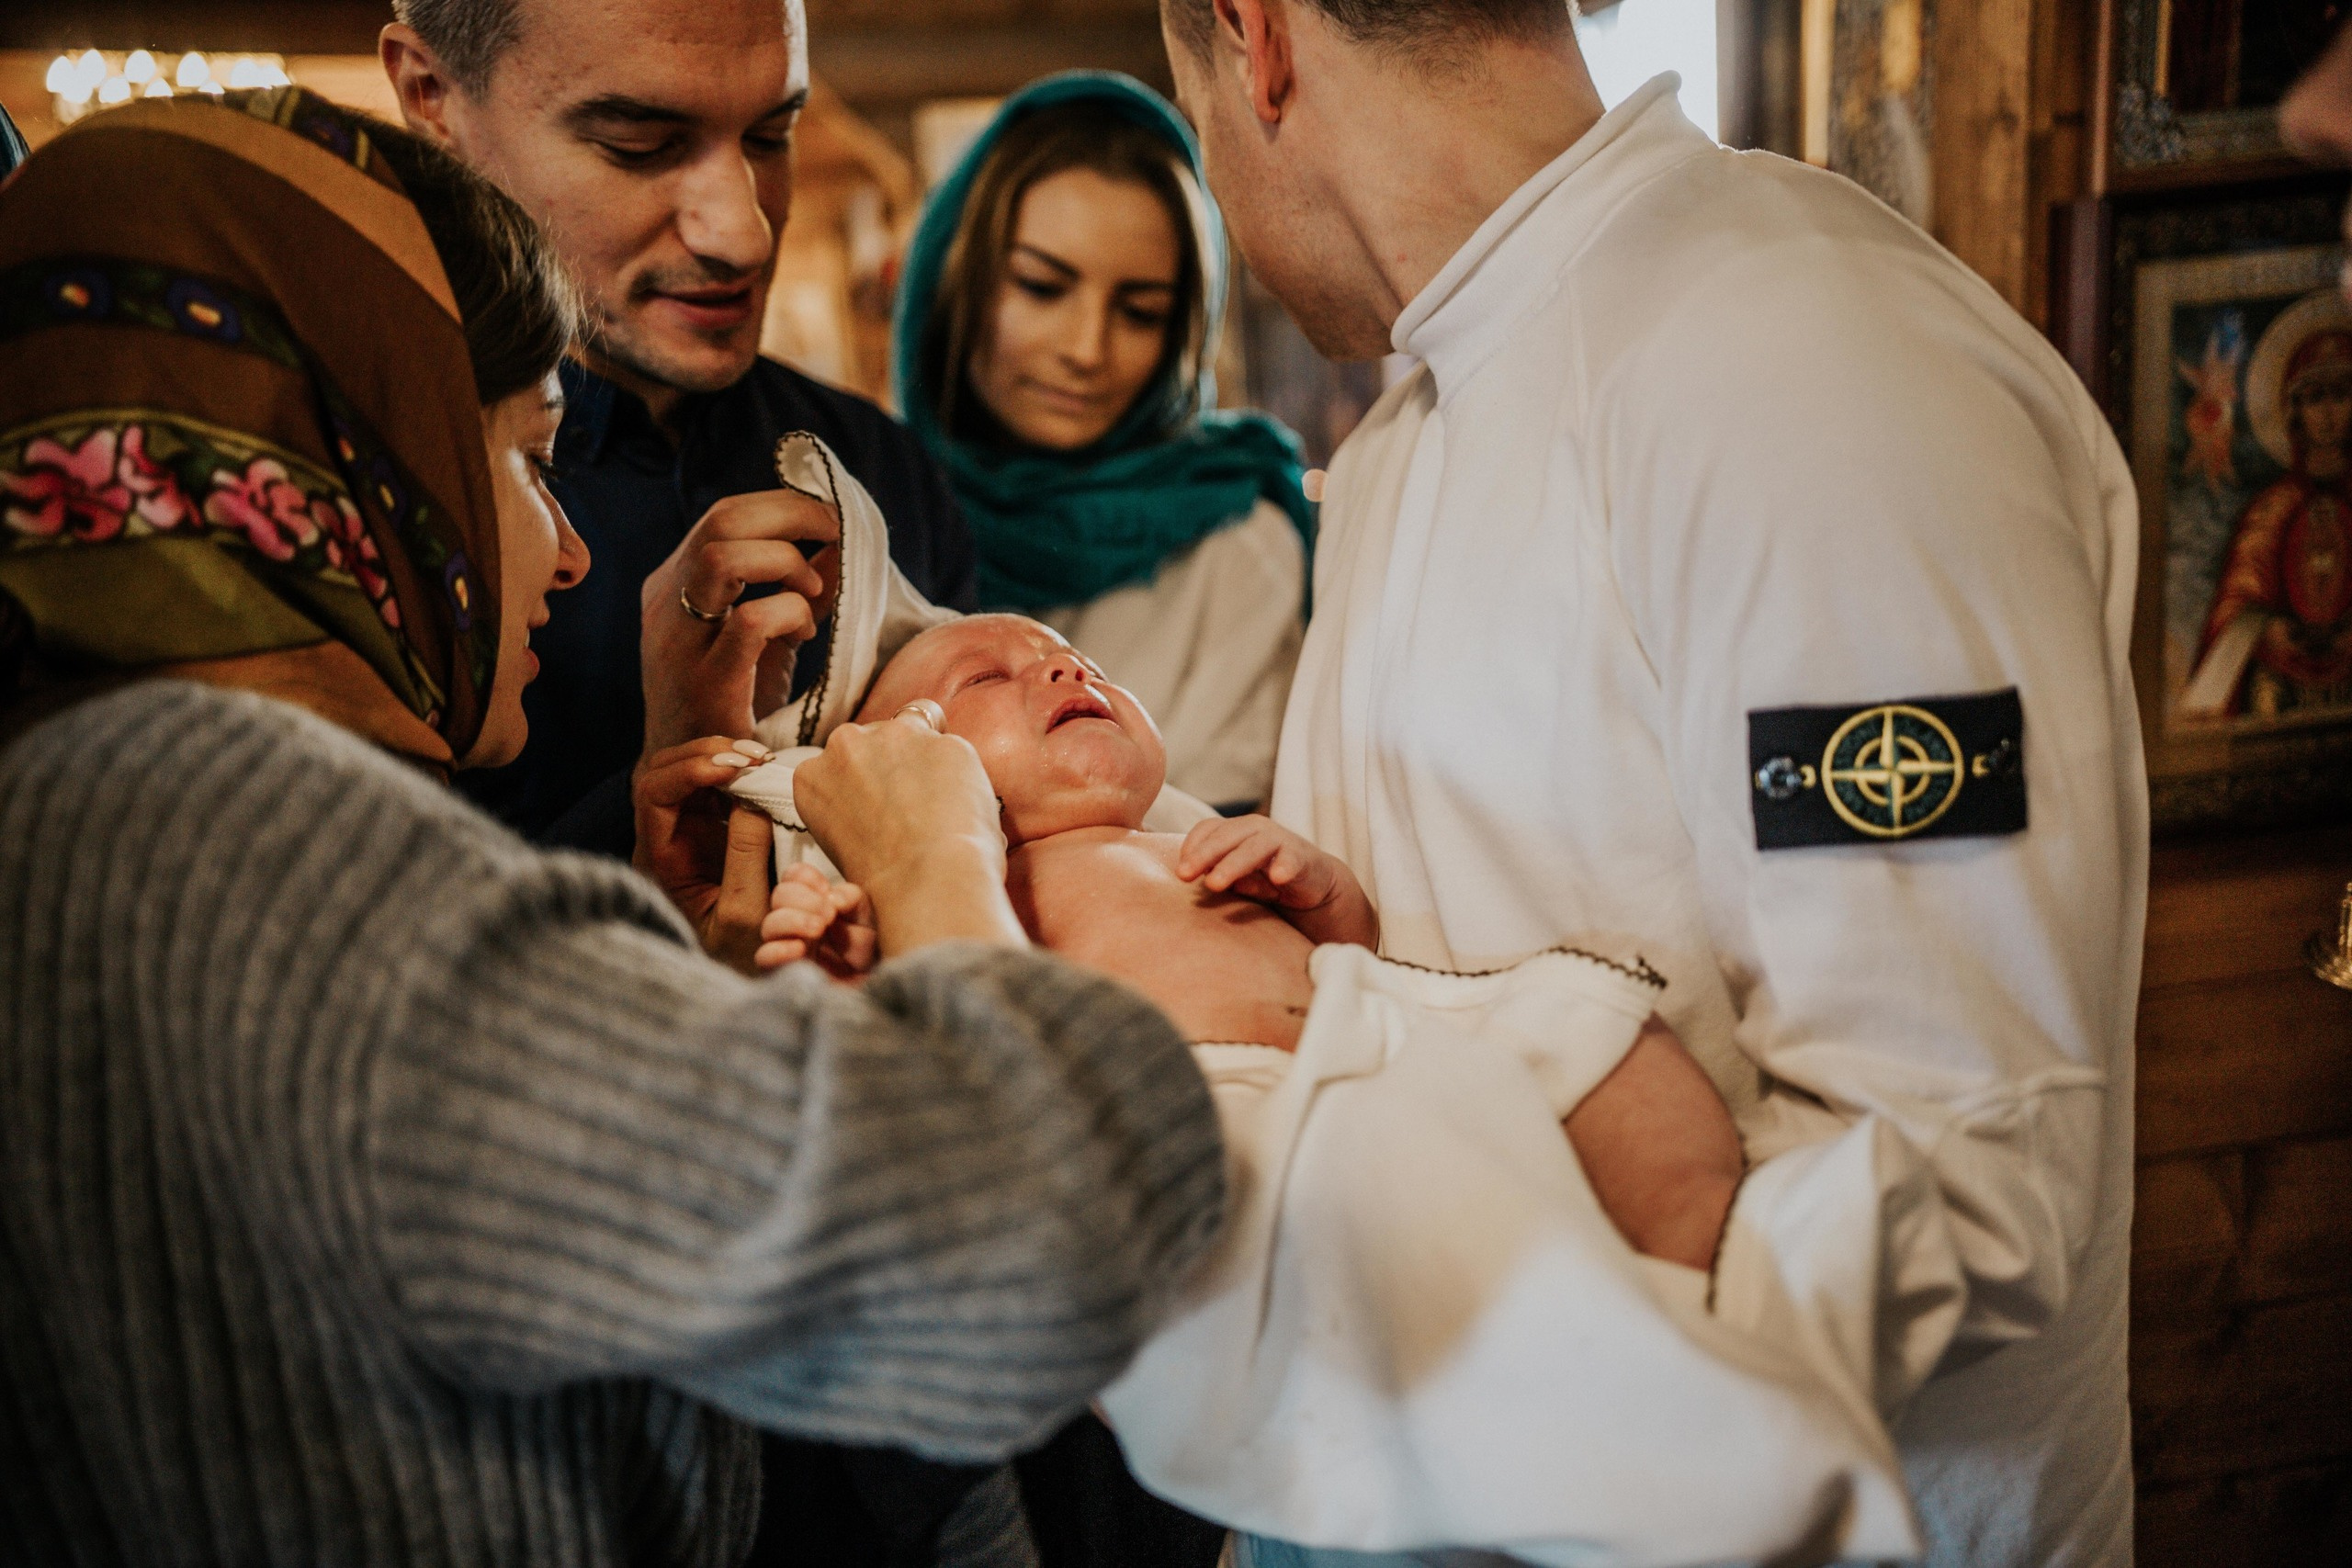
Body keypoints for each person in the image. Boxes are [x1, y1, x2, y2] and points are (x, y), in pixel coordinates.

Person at [0, 89, 1223, 1567]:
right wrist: (938, 857)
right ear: (354, 472)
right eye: (517, 460)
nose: (568, 548)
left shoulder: (80, 803)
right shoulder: (239, 841)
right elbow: (1044, 1232)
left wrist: (676, 971)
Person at [1158, 2, 2150, 1564]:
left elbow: (1963, 1176)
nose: (1216, 181)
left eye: (1191, 118)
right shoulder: (1418, 416)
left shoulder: (1801, 364)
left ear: (1254, 40)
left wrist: (1361, 1373)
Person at [759, 612, 1744, 1274]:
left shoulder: (1179, 838)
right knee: (1392, 1234)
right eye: (985, 678)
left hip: (1389, 1038)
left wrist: (1318, 891)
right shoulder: (962, 882)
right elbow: (936, 1027)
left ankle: (1701, 1246)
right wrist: (846, 956)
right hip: (1214, 1111)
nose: (1064, 668)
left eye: (1080, 663)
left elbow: (1354, 955)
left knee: (1597, 1034)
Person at [381, 0, 979, 855]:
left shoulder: (882, 467)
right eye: (641, 145)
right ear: (432, 94)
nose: (744, 234)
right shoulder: (356, 489)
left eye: (773, 135)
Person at [897, 73, 1314, 812]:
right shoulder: (878, 512)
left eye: (1141, 311)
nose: (1087, 349)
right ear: (954, 278)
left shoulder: (1238, 545)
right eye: (1042, 287)